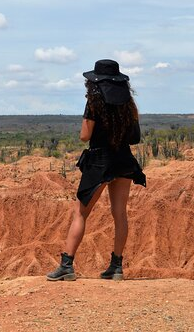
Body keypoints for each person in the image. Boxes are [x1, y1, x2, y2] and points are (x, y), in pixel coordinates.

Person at [47, 59, 146, 281]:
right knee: (120, 213)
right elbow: (135, 136)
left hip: (100, 159)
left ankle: (67, 265)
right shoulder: (129, 104)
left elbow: (84, 135)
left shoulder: (95, 102)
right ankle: (116, 267)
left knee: (81, 213)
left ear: (95, 82)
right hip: (123, 158)